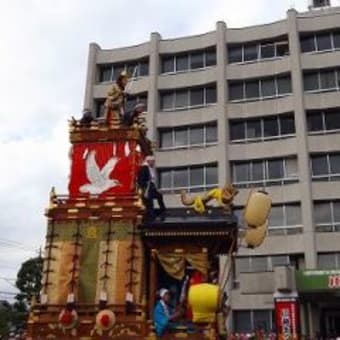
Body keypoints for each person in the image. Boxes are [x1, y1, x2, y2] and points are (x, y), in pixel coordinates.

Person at [137, 155, 166, 221]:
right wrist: (144, 188)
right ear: (148, 161)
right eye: (152, 161)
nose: (153, 163)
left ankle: (163, 210)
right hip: (146, 188)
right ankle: (151, 218)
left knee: (159, 196)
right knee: (150, 203)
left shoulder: (151, 168)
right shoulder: (144, 168)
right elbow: (140, 180)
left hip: (151, 187)